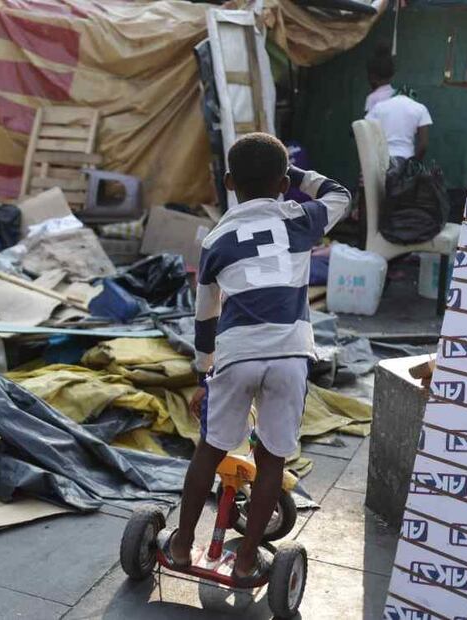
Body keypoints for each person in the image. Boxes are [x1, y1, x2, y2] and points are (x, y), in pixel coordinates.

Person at [160, 133, 350, 584]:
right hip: (289, 355)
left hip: (237, 354)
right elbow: (340, 194)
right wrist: (294, 174)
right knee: (271, 458)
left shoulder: (216, 240)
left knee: (210, 450)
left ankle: (182, 546)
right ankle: (246, 559)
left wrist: (203, 373)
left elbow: (205, 317)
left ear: (229, 182)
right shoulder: (300, 218)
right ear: (283, 184)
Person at [364, 47, 432, 160]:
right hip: (406, 158)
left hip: (381, 159)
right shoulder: (418, 108)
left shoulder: (375, 104)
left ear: (372, 77)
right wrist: (415, 162)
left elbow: (367, 131)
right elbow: (423, 145)